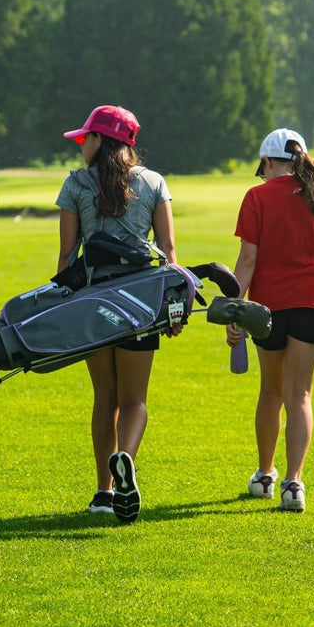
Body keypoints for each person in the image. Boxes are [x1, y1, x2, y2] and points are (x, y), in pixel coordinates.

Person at [56, 104, 180, 523]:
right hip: (141, 303)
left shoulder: (76, 184)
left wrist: (62, 308)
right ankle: (124, 456)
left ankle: (103, 493)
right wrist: (173, 309)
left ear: (100, 140)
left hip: (94, 304)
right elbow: (169, 255)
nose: (81, 147)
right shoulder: (154, 182)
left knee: (104, 398)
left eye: (85, 139)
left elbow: (67, 257)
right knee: (135, 399)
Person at [226, 129, 314, 513]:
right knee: (299, 394)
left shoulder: (256, 197)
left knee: (270, 392)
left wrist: (235, 308)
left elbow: (247, 261)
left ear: (267, 162)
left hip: (268, 308)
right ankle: (293, 483)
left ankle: (266, 474)